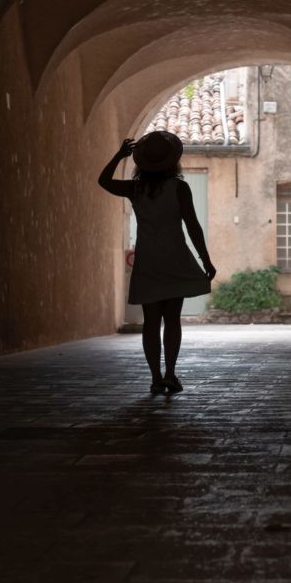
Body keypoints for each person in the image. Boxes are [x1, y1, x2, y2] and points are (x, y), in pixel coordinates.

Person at [97, 131, 216, 395]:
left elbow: (103, 181)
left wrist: (119, 155)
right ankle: (171, 374)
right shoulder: (179, 188)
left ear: (142, 162)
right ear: (173, 161)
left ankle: (155, 377)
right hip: (174, 257)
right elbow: (192, 225)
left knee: (151, 321)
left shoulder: (135, 189)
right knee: (172, 319)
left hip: (148, 260)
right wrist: (204, 258)